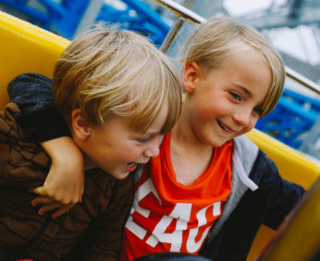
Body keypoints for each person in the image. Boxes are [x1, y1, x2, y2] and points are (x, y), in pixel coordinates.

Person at [6, 17, 305, 261]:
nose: (243, 117)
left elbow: (302, 211)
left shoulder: (251, 171)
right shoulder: (142, 118)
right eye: (236, 96)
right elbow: (33, 86)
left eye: (257, 110)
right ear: (191, 76)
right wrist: (64, 153)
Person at [0, 25, 182, 261]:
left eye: (162, 136)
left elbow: (101, 248)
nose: (155, 151)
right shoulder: (14, 138)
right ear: (84, 125)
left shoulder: (116, 183)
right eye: (143, 138)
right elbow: (27, 83)